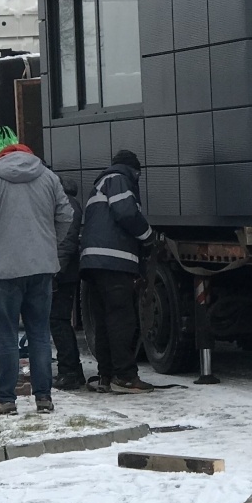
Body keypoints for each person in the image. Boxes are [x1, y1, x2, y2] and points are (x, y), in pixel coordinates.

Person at [0, 127, 74, 416]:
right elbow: (66, 215)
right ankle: (44, 398)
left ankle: (5, 398)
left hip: (3, 271)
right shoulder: (47, 176)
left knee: (6, 335)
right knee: (40, 334)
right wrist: (49, 245)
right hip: (41, 268)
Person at [80, 149, 157, 394]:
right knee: (122, 319)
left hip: (93, 263)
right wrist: (148, 236)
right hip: (114, 262)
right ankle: (124, 376)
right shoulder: (119, 179)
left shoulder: (100, 184)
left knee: (103, 321)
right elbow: (126, 212)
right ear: (135, 171)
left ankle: (106, 375)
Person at [49, 172, 85, 390]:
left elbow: (65, 243)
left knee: (58, 320)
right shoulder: (69, 203)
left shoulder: (67, 205)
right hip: (65, 270)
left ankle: (69, 371)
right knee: (58, 320)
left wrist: (55, 272)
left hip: (62, 272)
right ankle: (71, 370)